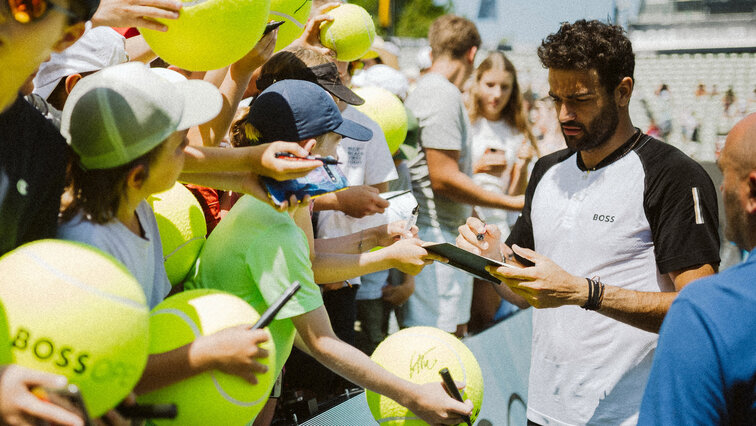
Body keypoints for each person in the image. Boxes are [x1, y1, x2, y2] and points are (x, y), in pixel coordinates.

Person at [456, 20, 720, 425]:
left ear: (623, 91)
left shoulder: (673, 175)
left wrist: (586, 293)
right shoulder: (546, 171)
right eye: (556, 98)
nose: (564, 114)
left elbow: (699, 311)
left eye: (579, 99)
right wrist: (490, 258)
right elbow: (529, 294)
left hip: (633, 416)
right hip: (544, 412)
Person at [188, 79, 473, 424]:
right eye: (336, 142)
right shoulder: (275, 229)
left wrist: (377, 238)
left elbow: (308, 262)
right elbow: (320, 342)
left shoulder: (271, 205)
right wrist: (413, 395)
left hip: (225, 392)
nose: (339, 156)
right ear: (310, 147)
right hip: (215, 402)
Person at [56, 63, 272, 399]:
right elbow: (102, 372)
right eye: (180, 145)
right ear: (136, 175)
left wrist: (251, 167)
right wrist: (209, 354)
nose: (189, 153)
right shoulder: (88, 247)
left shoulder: (136, 203)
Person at [402, 14, 523, 336]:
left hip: (438, 232)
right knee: (438, 341)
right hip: (435, 235)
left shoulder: (429, 88)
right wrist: (511, 203)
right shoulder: (442, 92)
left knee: (453, 334)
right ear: (472, 54)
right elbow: (443, 177)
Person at [638, 113, 756, 425]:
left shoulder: (706, 310)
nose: (721, 188)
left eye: (725, 174)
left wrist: (588, 293)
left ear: (753, 191)